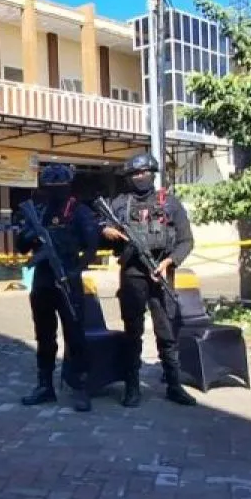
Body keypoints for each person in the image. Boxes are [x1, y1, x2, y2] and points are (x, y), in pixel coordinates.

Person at [99, 153, 197, 408]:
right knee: (133, 332)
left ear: (153, 173)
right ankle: (132, 387)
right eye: (135, 174)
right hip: (132, 275)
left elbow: (187, 241)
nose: (140, 177)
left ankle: (174, 385)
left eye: (144, 173)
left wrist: (169, 262)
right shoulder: (120, 204)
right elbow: (101, 230)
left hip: (161, 273)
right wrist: (105, 231)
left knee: (166, 333)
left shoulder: (170, 203)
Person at [15, 164, 100, 411]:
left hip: (68, 280)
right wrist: (31, 233)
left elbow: (92, 247)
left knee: (75, 335)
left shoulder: (79, 211)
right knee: (44, 336)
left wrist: (77, 269)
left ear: (68, 187)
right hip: (43, 281)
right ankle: (45, 386)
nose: (54, 192)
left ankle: (80, 386)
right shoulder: (37, 212)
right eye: (49, 187)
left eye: (59, 187)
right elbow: (21, 246)